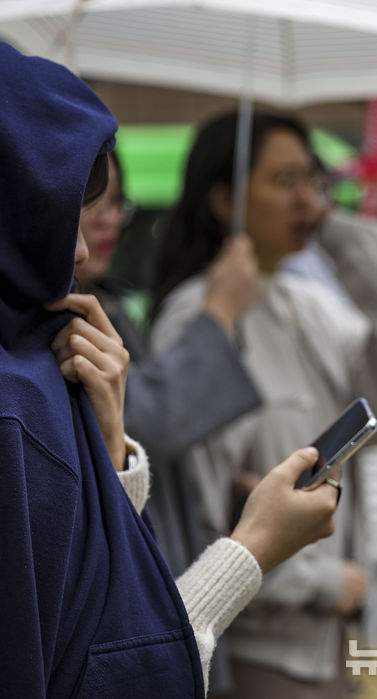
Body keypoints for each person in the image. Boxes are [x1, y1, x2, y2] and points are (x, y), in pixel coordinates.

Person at [0, 36, 339, 698]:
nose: (82, 248)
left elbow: (72, 621)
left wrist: (107, 448)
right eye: (57, 210)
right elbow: (110, 672)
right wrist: (252, 547)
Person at [151, 110, 377, 698]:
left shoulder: (308, 306)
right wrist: (323, 581)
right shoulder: (200, 319)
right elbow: (202, 520)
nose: (306, 200)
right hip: (261, 657)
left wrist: (341, 232)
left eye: (313, 181)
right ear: (225, 200)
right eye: (284, 182)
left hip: (337, 645)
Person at [76, 150, 263, 577]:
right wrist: (219, 313)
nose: (110, 220)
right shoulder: (58, 322)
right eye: (90, 202)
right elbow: (144, 421)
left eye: (117, 202)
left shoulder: (111, 309)